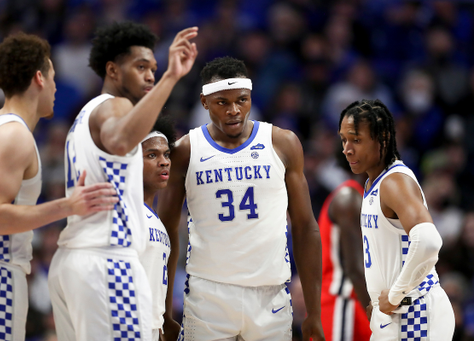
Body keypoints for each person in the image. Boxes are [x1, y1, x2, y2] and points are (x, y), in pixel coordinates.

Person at [47, 21, 198, 341]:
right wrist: (172, 77)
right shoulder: (113, 106)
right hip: (106, 259)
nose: (149, 76)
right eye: (141, 67)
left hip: (75, 259)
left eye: (154, 69)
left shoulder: (84, 116)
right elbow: (119, 139)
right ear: (113, 70)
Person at [0, 33, 117, 341]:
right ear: (39, 78)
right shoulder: (14, 135)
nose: (57, 87)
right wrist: (68, 205)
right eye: (53, 77)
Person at [158, 56, 325, 341]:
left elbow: (305, 226)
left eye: (242, 100)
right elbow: (166, 232)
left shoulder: (282, 143)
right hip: (208, 294)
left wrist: (314, 311)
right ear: (204, 102)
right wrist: (164, 311)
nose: (234, 110)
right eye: (222, 102)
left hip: (270, 293)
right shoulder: (185, 150)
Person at [338, 99, 455, 340]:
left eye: (356, 140)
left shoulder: (395, 182)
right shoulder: (373, 183)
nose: (347, 149)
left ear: (382, 139)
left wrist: (394, 295)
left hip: (416, 313)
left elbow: (429, 241)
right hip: (395, 314)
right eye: (344, 140)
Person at [318, 149, 371, 341]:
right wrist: (379, 318)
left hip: (357, 301)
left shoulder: (366, 198)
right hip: (341, 302)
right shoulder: (348, 198)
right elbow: (355, 270)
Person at [140, 116, 177, 341]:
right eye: (152, 155)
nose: (164, 162)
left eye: (166, 154)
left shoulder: (156, 220)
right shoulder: (122, 211)